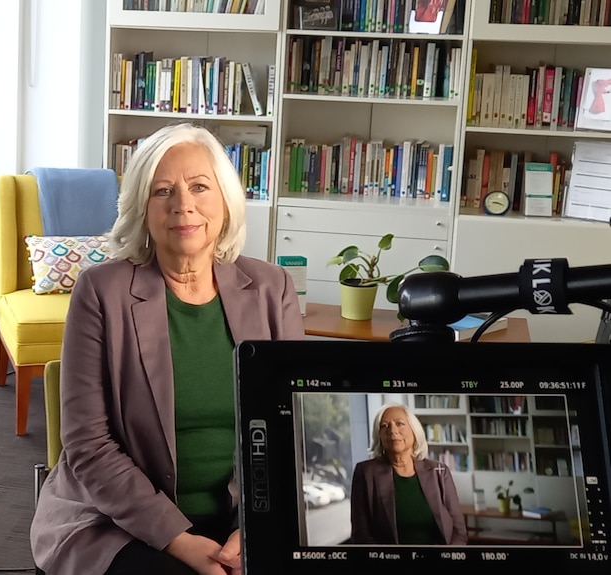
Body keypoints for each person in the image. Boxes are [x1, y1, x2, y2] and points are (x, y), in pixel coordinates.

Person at [30, 122, 306, 575]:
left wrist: (254, 528)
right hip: (117, 518)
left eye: (199, 186)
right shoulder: (100, 292)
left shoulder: (272, 288)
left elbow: (292, 429)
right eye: (163, 191)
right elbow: (86, 444)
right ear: (142, 206)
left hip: (247, 516)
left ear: (224, 199)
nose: (184, 205)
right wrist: (178, 541)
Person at [350, 403, 467, 545]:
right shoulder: (365, 473)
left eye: (399, 424)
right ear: (379, 435)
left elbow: (459, 532)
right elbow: (361, 535)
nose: (392, 430)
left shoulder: (440, 472)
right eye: (385, 426)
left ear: (414, 430)